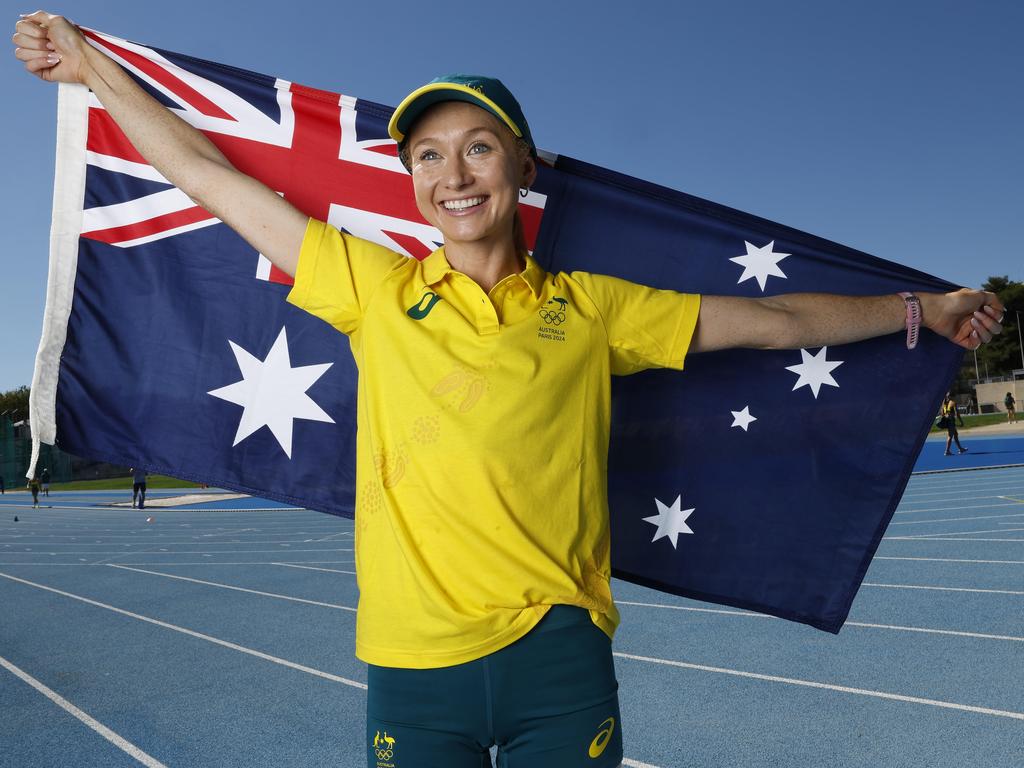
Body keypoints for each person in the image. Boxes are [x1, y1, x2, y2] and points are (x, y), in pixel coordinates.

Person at [13, 14, 1006, 768]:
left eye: (477, 147)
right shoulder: (373, 287)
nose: (454, 173)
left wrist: (927, 306)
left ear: (520, 168)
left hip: (557, 665)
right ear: (409, 178)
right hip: (414, 671)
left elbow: (778, 324)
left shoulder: (593, 308)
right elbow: (206, 175)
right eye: (429, 155)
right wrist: (91, 67)